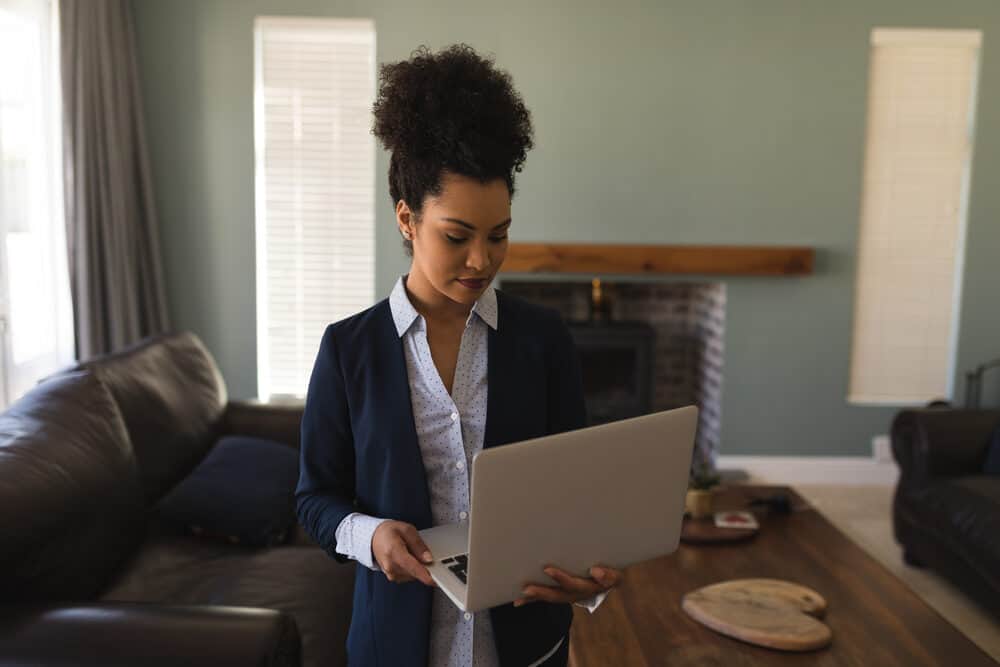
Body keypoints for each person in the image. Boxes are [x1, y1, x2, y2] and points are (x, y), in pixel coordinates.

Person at [296, 44, 623, 667]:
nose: (482, 260)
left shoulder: (542, 339)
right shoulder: (348, 350)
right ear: (406, 219)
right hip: (393, 646)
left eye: (498, 234)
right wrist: (370, 536)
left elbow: (577, 491)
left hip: (527, 644)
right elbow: (315, 498)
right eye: (457, 236)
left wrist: (592, 580)